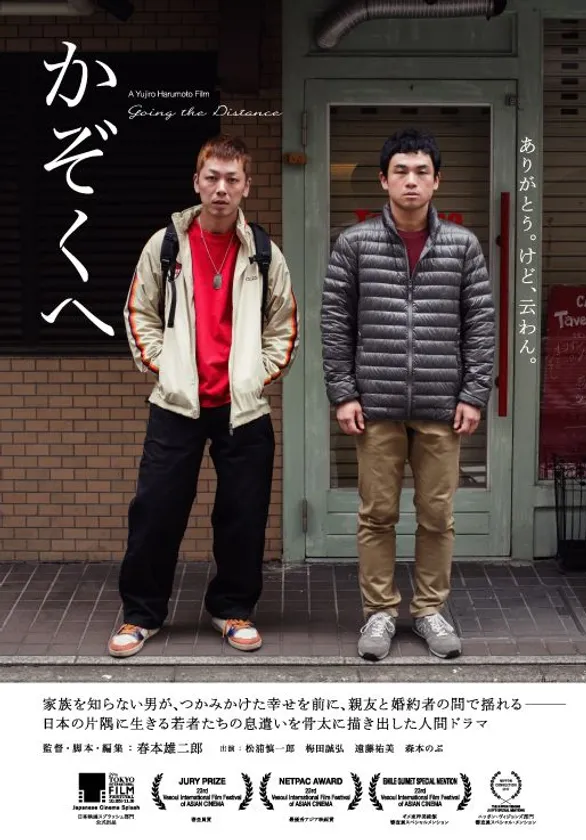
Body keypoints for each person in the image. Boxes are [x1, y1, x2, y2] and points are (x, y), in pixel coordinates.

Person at [108, 134, 299, 657]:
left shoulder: (263, 252)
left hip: (243, 407)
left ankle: (232, 609)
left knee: (243, 515)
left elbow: (283, 322)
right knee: (156, 510)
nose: (221, 188)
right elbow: (138, 312)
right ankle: (140, 615)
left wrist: (254, 376)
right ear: (196, 182)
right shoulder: (165, 245)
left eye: (232, 179)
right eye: (212, 177)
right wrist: (167, 368)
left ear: (246, 186)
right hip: (177, 404)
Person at [321, 128, 495, 661]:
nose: (411, 181)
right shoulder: (354, 243)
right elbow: (335, 322)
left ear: (437, 181)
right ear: (384, 179)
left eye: (422, 171)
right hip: (376, 405)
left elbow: (480, 324)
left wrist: (473, 394)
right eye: (401, 171)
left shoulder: (462, 245)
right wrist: (344, 392)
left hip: (442, 406)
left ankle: (429, 610)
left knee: (437, 515)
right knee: (377, 514)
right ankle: (378, 612)